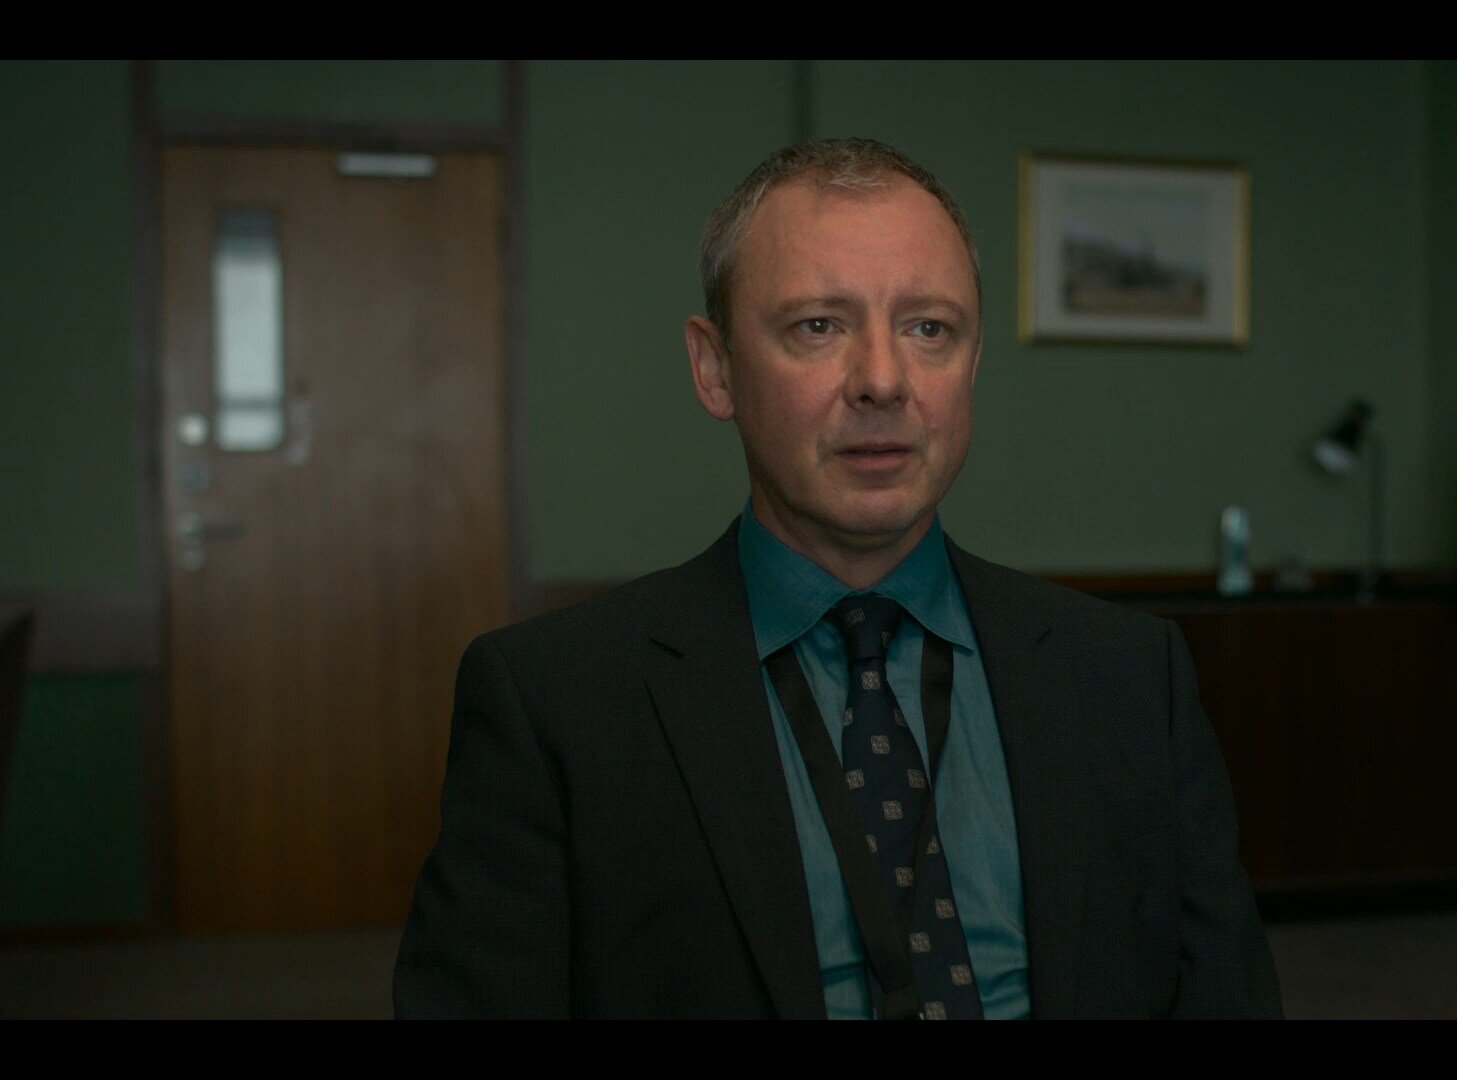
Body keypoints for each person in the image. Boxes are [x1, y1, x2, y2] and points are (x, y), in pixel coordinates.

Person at [393, 138, 1283, 1020]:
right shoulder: (556, 703)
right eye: (818, 326)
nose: (883, 381)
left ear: (973, 363)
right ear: (715, 369)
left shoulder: (1129, 677)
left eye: (929, 329)